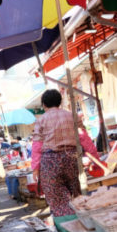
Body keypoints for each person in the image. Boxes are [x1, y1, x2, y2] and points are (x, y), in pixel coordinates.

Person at [31, 89, 85, 217]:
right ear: (60, 102)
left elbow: (37, 146)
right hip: (71, 158)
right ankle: (80, 219)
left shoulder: (41, 120)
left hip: (50, 161)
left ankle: (66, 226)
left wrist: (35, 168)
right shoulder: (72, 115)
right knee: (74, 193)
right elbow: (83, 137)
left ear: (44, 104)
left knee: (57, 198)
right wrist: (93, 155)